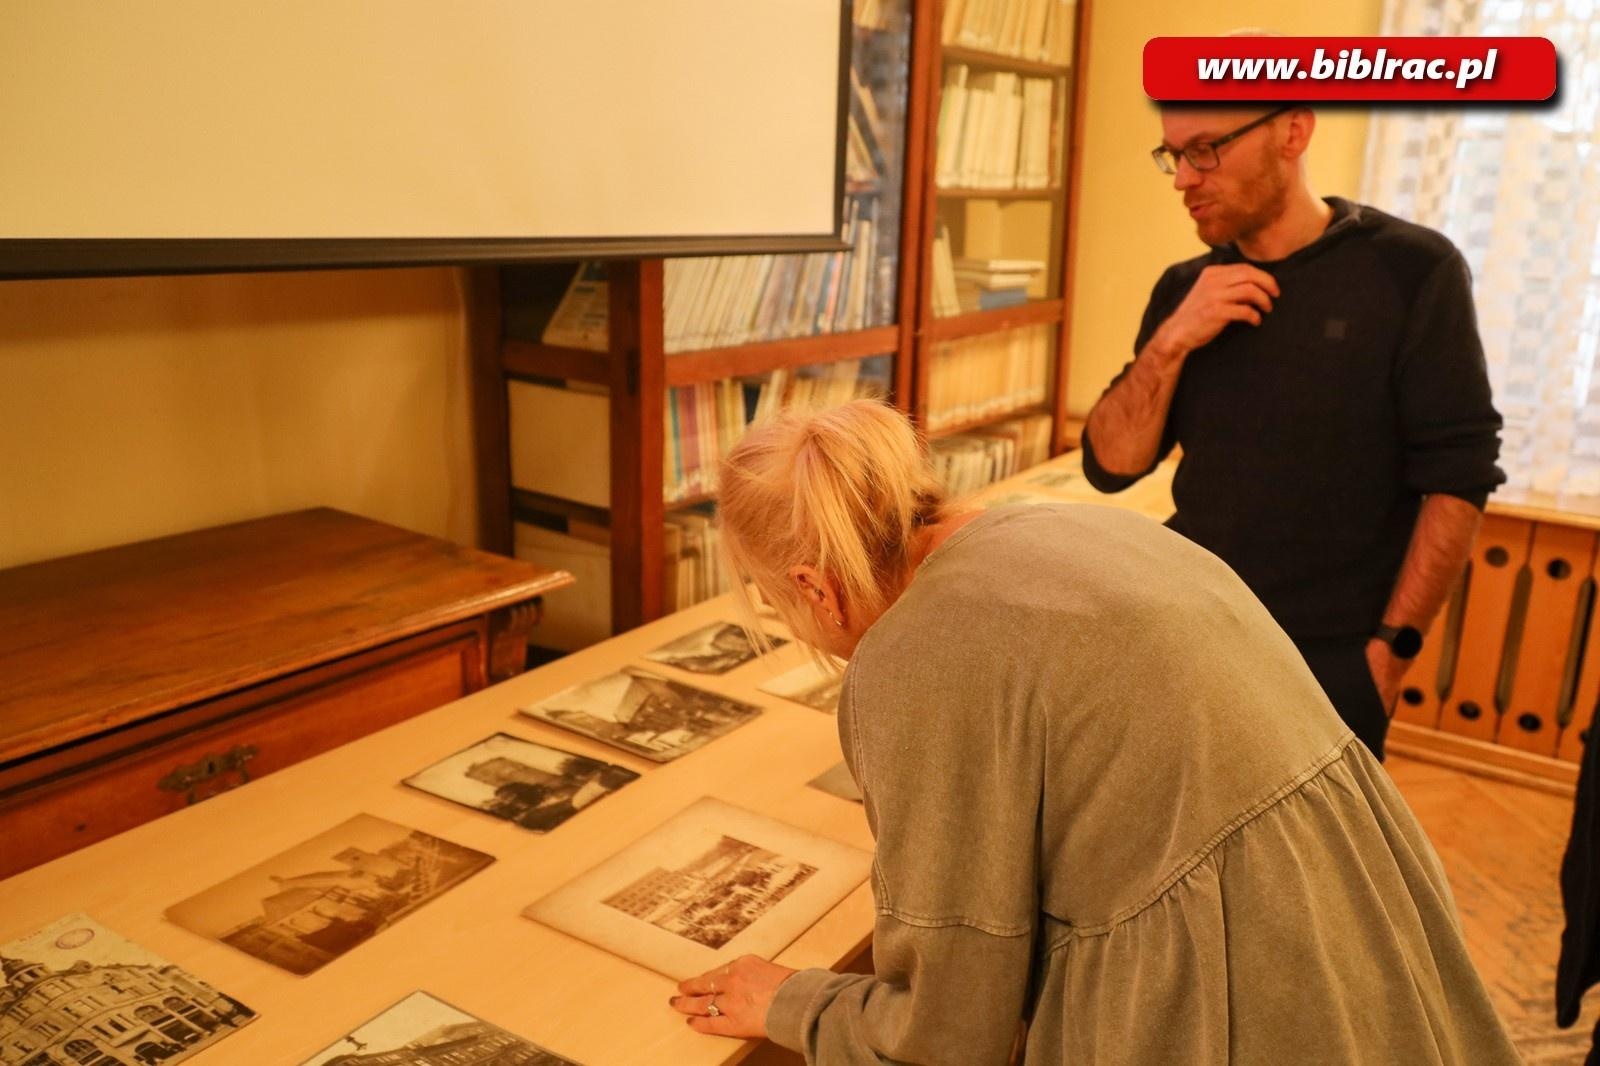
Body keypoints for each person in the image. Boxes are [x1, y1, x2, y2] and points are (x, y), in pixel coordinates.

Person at [667, 400, 1517, 1064]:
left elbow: (947, 1031)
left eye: (777, 606)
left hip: (1232, 984)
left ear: (815, 588)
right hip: (1358, 909)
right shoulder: (1056, 522)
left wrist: (789, 1002)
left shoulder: (912, 653)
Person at [1080, 104, 1504, 760]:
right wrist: (1171, 341)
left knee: (1305, 863)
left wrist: (1390, 656)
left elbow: (1459, 478)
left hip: (1331, 659)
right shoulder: (1186, 288)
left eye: (1207, 149)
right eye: (1173, 155)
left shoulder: (1414, 269)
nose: (1183, 180)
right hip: (1185, 632)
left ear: (1293, 132)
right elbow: (1110, 464)